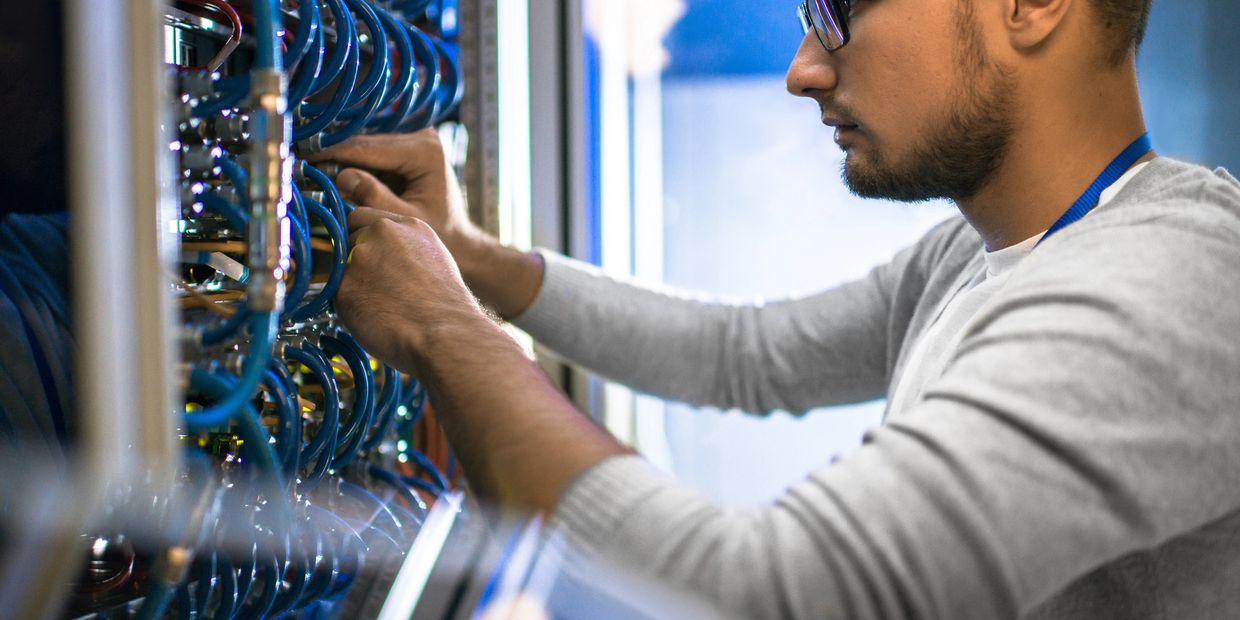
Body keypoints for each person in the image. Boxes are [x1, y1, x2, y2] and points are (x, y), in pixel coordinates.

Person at [311, 0, 1240, 617]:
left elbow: (769, 595)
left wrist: (442, 330)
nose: (802, 72)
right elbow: (742, 354)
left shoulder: (1170, 286)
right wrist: (471, 263)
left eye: (837, 12)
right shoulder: (982, 252)